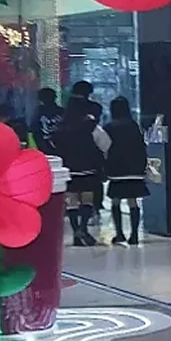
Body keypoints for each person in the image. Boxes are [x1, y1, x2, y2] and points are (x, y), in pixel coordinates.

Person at [54, 94, 111, 246]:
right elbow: (105, 144)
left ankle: (76, 233)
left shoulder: (61, 127)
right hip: (88, 168)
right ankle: (83, 227)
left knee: (72, 201)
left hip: (69, 169)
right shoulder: (91, 126)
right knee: (87, 200)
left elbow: (55, 146)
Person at [104, 96, 149, 245]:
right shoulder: (133, 125)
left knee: (115, 200)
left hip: (116, 169)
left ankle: (120, 234)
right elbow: (141, 146)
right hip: (134, 168)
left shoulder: (109, 126)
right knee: (133, 201)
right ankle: (135, 234)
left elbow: (105, 147)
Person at [71, 80, 104, 216]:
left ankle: (75, 217)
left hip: (71, 154)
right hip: (90, 153)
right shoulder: (95, 108)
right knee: (92, 185)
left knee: (72, 190)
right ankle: (94, 209)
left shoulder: (68, 111)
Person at [31, 88, 64, 155]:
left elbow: (34, 128)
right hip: (58, 145)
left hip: (47, 144)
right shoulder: (62, 111)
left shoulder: (38, 111)